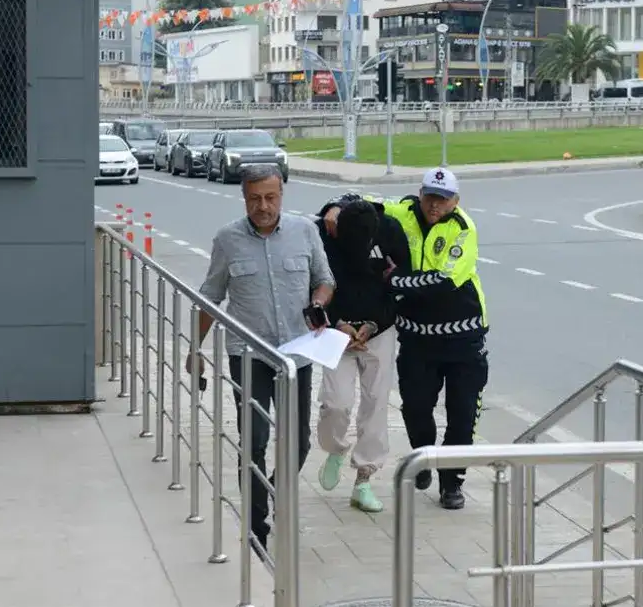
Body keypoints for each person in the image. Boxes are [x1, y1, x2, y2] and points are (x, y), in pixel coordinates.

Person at [322, 167, 488, 510]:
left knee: (462, 413)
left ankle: (452, 483)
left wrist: (394, 282)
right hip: (416, 337)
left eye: (443, 199)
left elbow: (443, 281)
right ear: (420, 193)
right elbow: (362, 202)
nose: (434, 205)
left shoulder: (463, 229)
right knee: (415, 410)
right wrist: (334, 207)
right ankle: (424, 458)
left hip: (463, 335)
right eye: (430, 196)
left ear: (455, 201)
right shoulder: (403, 211)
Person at [190, 163, 335, 554]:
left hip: (296, 356)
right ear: (244, 198)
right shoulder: (227, 240)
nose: (263, 206)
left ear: (281, 196)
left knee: (299, 443)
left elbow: (325, 279)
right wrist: (194, 349)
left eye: (270, 197)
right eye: (255, 199)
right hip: (248, 354)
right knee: (253, 440)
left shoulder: (305, 232)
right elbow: (210, 296)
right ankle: (256, 528)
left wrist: (319, 302)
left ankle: (275, 489)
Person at [313, 199, 411, 512]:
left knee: (375, 405)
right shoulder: (323, 232)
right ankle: (336, 448)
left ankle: (364, 478)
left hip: (378, 331)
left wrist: (374, 324)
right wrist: (338, 322)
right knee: (335, 403)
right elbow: (312, 284)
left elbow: (402, 283)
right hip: (335, 330)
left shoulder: (390, 231)